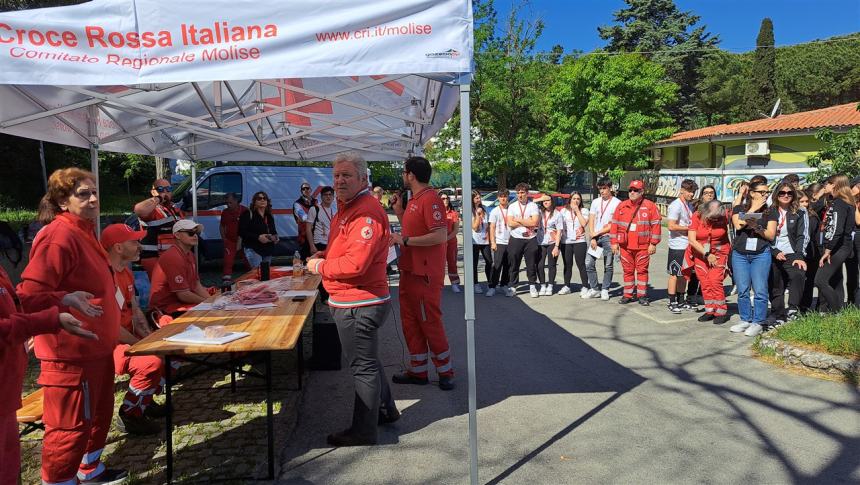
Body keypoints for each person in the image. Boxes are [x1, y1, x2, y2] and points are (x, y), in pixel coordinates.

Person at [17, 168, 128, 484]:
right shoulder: (59, 236)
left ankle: (91, 469)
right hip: (70, 357)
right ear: (63, 202)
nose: (93, 198)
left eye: (94, 191)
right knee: (69, 427)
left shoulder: (84, 230)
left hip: (95, 351)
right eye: (83, 193)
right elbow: (28, 295)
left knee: (97, 417)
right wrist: (64, 298)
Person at [305, 153, 398, 447]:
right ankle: (385, 411)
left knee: (363, 367)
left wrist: (320, 267)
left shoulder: (365, 213)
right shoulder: (349, 207)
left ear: (362, 178)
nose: (339, 181)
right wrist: (326, 254)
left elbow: (355, 265)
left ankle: (363, 431)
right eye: (336, 176)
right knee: (368, 362)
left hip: (359, 302)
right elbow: (344, 251)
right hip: (357, 299)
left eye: (346, 175)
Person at [0, 270, 94, 484]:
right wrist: (50, 319)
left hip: (7, 394)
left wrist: (62, 298)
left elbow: (15, 301)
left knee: (9, 470)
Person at [388, 156, 454, 390]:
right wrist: (398, 211)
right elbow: (412, 226)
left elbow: (438, 235)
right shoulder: (416, 199)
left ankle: (445, 371)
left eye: (404, 173)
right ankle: (418, 371)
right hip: (410, 271)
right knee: (411, 323)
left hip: (424, 275)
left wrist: (404, 239)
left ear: (411, 175)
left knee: (429, 322)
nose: (402, 176)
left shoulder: (431, 199)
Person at [100, 224, 166, 436]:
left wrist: (150, 339)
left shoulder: (125, 273)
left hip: (126, 338)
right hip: (108, 345)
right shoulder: (103, 278)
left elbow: (136, 311)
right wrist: (141, 347)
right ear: (118, 248)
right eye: (134, 242)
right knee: (151, 362)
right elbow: (111, 328)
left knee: (165, 349)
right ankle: (130, 414)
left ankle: (145, 401)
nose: (140, 246)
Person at [729, 179, 777, 337]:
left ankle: (758, 322)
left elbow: (770, 235)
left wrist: (757, 227)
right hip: (740, 253)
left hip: (760, 254)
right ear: (752, 193)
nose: (765, 195)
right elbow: (738, 224)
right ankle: (745, 319)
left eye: (767, 192)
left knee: (760, 290)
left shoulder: (771, 210)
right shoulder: (740, 207)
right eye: (762, 192)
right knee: (742, 290)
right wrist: (755, 208)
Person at [610, 180, 662, 305]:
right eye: (630, 190)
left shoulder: (650, 206)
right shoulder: (622, 205)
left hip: (643, 247)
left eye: (636, 190)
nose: (632, 192)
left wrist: (653, 244)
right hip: (625, 246)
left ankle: (642, 295)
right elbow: (614, 224)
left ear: (642, 192)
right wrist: (614, 242)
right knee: (627, 271)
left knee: (642, 271)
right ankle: (628, 294)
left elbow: (656, 225)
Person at [149, 220, 211, 321]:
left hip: (178, 304)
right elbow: (183, 295)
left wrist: (211, 302)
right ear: (177, 235)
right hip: (165, 310)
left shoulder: (188, 254)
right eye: (190, 233)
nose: (195, 236)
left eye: (196, 233)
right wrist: (208, 303)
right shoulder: (173, 257)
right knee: (210, 316)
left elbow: (196, 284)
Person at [766, 182, 808, 326]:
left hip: (792, 253)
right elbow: (762, 235)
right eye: (782, 193)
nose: (786, 195)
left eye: (789, 193)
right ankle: (777, 312)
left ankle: (793, 309)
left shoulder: (800, 212)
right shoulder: (768, 212)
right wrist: (774, 251)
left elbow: (803, 235)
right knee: (775, 283)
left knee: (798, 275)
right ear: (776, 195)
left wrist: (799, 256)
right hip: (772, 252)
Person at [815, 175, 856, 313]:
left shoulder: (840, 203)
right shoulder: (843, 202)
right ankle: (837, 312)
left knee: (820, 280)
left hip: (839, 247)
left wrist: (828, 251)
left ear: (834, 185)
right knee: (836, 279)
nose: (824, 186)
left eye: (827, 183)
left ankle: (836, 312)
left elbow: (837, 229)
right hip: (840, 246)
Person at [685, 200, 731, 324]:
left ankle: (721, 311)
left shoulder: (724, 215)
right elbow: (692, 240)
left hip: (719, 253)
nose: (715, 219)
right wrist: (706, 254)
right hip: (701, 253)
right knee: (705, 282)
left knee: (715, 281)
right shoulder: (697, 216)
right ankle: (710, 310)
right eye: (712, 216)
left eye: (717, 217)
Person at [134, 178, 182, 277]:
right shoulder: (152, 209)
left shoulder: (174, 209)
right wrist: (158, 198)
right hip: (153, 258)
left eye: (168, 189)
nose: (165, 192)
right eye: (160, 189)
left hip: (170, 257)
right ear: (153, 192)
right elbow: (139, 210)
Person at [666, 179, 699, 313]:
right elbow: (671, 226)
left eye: (693, 192)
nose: (692, 194)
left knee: (684, 274)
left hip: (687, 244)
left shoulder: (689, 205)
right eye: (690, 191)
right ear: (682, 190)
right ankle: (672, 301)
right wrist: (689, 228)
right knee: (674, 273)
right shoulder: (676, 205)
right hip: (677, 245)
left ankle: (681, 300)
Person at [585, 177, 621, 300]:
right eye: (600, 189)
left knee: (608, 265)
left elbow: (614, 224)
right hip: (596, 237)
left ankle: (605, 289)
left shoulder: (617, 203)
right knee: (589, 262)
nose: (602, 191)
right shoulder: (595, 202)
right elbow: (592, 219)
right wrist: (593, 236)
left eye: (604, 188)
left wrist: (597, 233)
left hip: (608, 238)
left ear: (610, 188)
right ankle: (595, 289)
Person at [506, 183, 541, 298]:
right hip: (516, 238)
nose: (520, 195)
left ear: (527, 193)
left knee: (531, 264)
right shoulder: (512, 206)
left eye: (522, 192)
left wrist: (519, 220)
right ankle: (512, 286)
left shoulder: (533, 206)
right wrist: (527, 220)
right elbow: (510, 223)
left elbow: (534, 222)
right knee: (514, 263)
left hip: (530, 238)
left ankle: (532, 285)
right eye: (518, 193)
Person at [555, 191, 590, 297]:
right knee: (567, 264)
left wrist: (576, 210)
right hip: (566, 242)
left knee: (581, 264)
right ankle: (567, 286)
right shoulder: (563, 211)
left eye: (578, 199)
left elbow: (584, 223)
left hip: (580, 241)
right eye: (574, 198)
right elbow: (558, 226)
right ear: (570, 199)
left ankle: (585, 286)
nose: (576, 201)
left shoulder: (584, 210)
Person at [240, 191, 279, 269]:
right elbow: (242, 232)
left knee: (265, 274)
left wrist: (275, 237)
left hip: (267, 250)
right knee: (258, 273)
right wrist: (258, 237)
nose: (262, 200)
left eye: (265, 198)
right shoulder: (248, 214)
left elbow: (273, 231)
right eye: (259, 198)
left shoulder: (269, 216)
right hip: (254, 249)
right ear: (254, 202)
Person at [799, 187, 821, 312]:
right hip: (795, 253)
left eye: (806, 202)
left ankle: (805, 307)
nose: (805, 204)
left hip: (811, 253)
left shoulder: (812, 217)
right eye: (801, 202)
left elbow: (810, 234)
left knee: (809, 281)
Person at [486, 190, 512, 297]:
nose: (503, 198)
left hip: (511, 241)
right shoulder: (495, 211)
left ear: (508, 197)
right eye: (501, 196)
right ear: (498, 198)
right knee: (497, 265)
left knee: (508, 265)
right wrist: (493, 242)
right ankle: (492, 286)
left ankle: (504, 284)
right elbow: (492, 227)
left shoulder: (512, 210)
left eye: (505, 196)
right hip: (500, 241)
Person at [219, 192, 249, 285]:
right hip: (230, 241)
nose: (228, 205)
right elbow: (222, 226)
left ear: (236, 201)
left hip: (244, 241)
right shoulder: (225, 212)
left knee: (248, 260)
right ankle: (226, 280)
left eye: (230, 203)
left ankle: (254, 275)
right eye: (227, 203)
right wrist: (224, 239)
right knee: (228, 260)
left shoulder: (245, 211)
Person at [535, 195, 561, 296]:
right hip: (540, 242)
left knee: (551, 265)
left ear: (552, 201)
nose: (545, 202)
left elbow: (559, 231)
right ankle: (542, 285)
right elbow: (532, 202)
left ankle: (550, 286)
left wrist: (557, 246)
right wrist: (540, 199)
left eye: (548, 200)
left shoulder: (557, 214)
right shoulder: (539, 212)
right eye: (543, 200)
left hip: (552, 242)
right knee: (540, 265)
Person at [470, 190, 493, 294]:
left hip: (485, 240)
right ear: (472, 199)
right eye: (476, 198)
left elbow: (488, 225)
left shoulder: (485, 209)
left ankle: (490, 283)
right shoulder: (470, 210)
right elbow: (474, 228)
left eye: (480, 197)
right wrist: (478, 215)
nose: (479, 199)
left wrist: (489, 237)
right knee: (474, 263)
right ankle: (475, 284)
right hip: (474, 240)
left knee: (489, 261)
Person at [440, 192, 462, 293]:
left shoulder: (454, 213)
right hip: (439, 244)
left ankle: (454, 284)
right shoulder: (436, 213)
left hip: (451, 243)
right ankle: (438, 284)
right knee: (439, 264)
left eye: (447, 198)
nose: (445, 200)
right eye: (443, 198)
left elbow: (456, 230)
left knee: (452, 263)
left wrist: (447, 238)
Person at [306, 186, 337, 255]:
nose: (328, 197)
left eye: (330, 195)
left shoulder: (335, 211)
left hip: (331, 244)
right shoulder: (314, 209)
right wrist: (312, 246)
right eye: (325, 195)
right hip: (318, 244)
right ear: (321, 196)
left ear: (333, 197)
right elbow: (308, 229)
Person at [293, 182, 318, 259]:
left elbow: (321, 215)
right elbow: (304, 217)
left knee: (316, 261)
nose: (305, 190)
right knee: (305, 262)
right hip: (304, 237)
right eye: (303, 189)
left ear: (311, 190)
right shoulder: (297, 204)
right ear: (301, 191)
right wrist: (316, 219)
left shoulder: (316, 202)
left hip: (316, 236)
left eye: (307, 188)